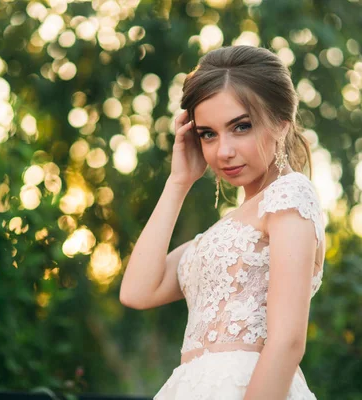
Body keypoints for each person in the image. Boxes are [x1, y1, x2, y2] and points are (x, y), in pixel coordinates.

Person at [119, 45, 326, 400]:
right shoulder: (223, 230)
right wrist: (178, 182)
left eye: (240, 127)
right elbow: (137, 291)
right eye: (208, 134)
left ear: (280, 124)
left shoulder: (289, 195)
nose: (222, 151)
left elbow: (288, 342)